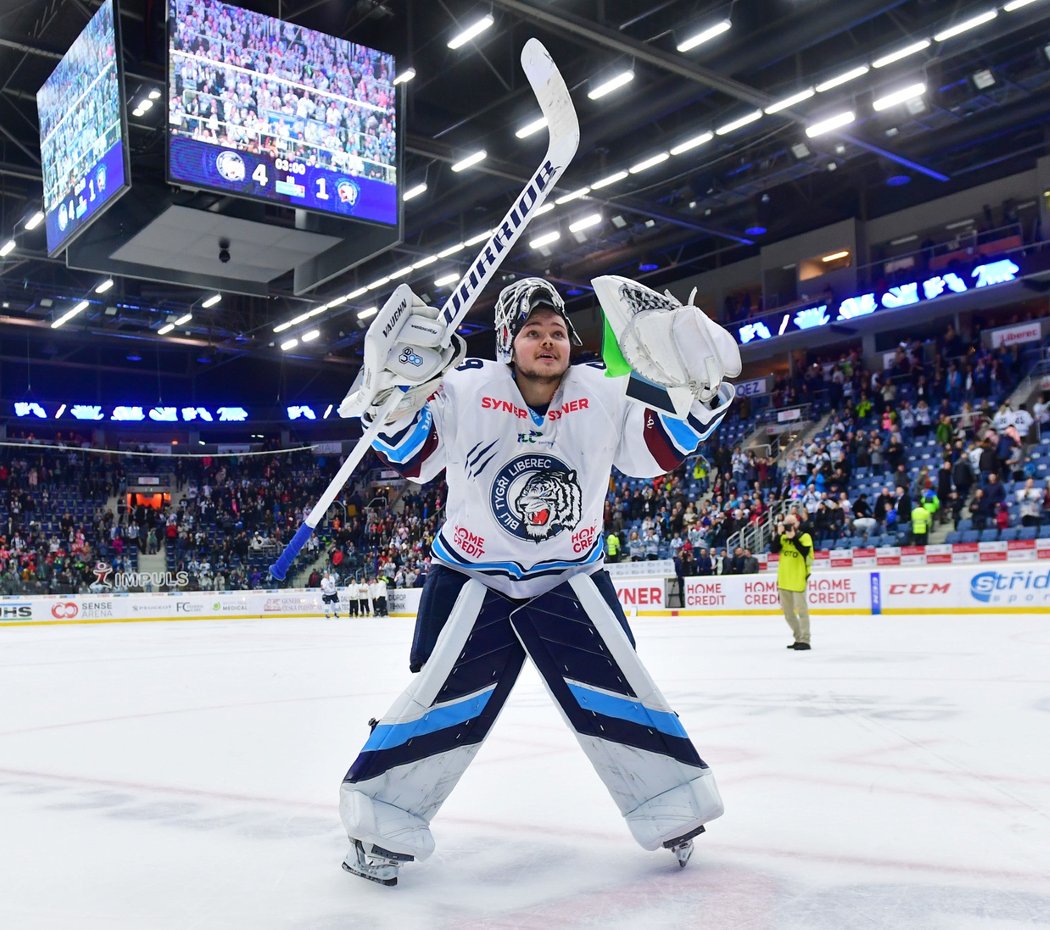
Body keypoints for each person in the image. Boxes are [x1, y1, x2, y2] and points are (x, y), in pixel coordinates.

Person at [334, 275, 740, 885]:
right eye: (532, 332)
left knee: (621, 689)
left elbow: (650, 453)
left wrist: (705, 401)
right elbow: (416, 456)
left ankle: (672, 808)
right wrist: (392, 392)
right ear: (507, 342)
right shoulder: (465, 386)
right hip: (476, 574)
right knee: (443, 700)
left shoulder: (605, 388)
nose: (548, 342)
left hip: (570, 573)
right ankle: (380, 818)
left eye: (556, 332)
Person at [769, 513, 812, 650]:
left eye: (791, 524)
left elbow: (805, 552)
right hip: (784, 579)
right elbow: (773, 549)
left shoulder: (804, 537)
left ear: (797, 524)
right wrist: (777, 534)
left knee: (802, 611)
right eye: (786, 524)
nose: (789, 527)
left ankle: (805, 639)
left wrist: (793, 538)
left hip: (798, 578)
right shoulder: (782, 538)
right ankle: (798, 637)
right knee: (788, 613)